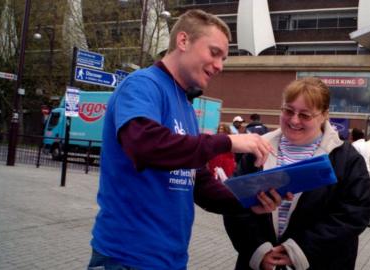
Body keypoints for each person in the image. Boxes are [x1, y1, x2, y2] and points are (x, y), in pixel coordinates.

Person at [88, 10, 287, 269]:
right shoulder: (142, 85)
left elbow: (200, 186)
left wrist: (251, 200)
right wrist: (227, 142)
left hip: (171, 260)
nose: (220, 66)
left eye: (223, 58)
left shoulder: (185, 105)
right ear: (183, 41)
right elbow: (145, 145)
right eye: (214, 53)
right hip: (126, 257)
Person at [223, 77, 370, 270]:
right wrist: (259, 250)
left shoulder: (346, 159)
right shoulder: (258, 149)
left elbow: (354, 213)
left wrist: (299, 250)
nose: (294, 120)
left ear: (324, 115)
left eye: (305, 115)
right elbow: (234, 207)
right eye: (288, 111)